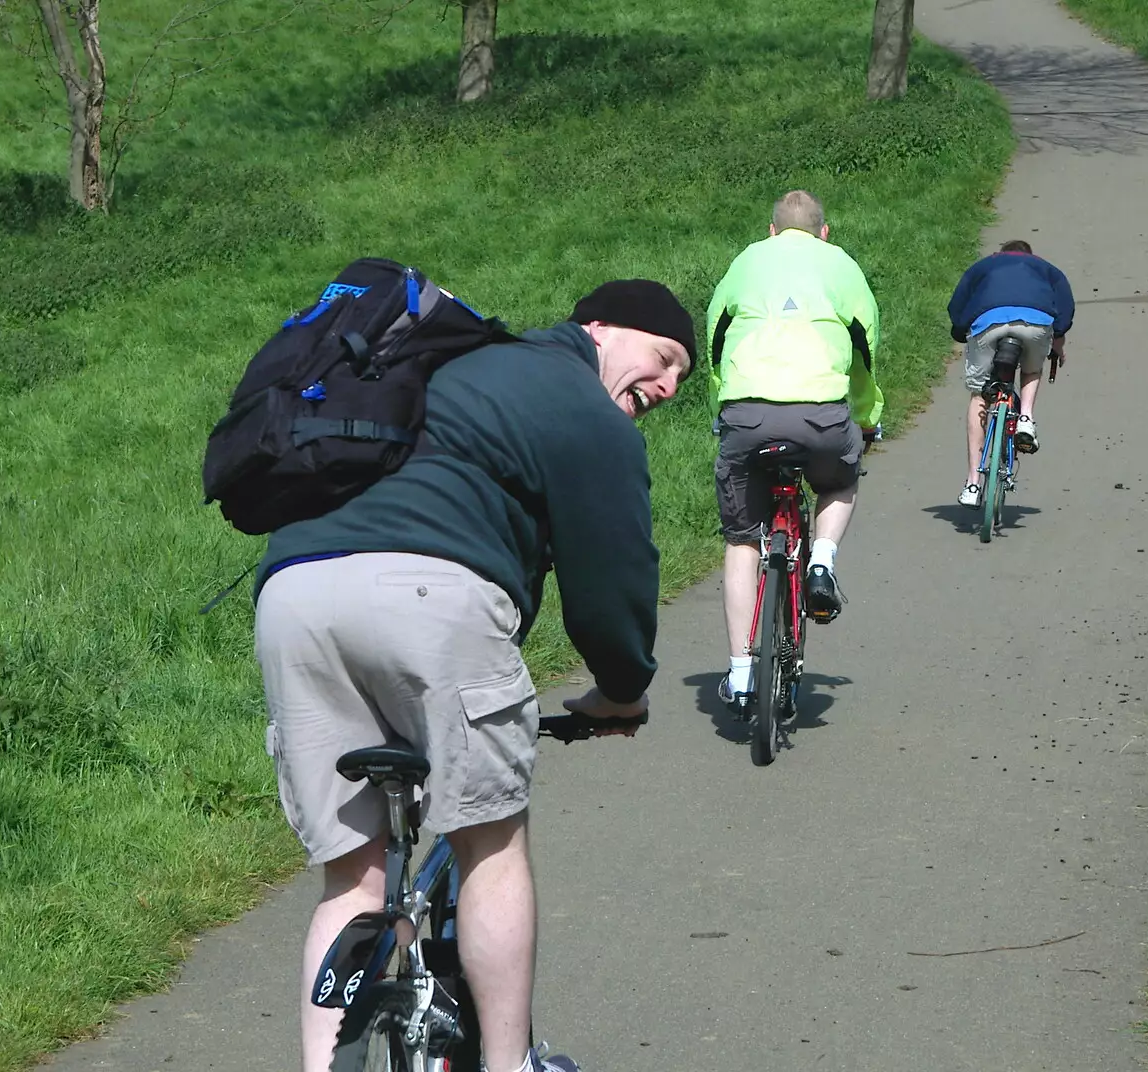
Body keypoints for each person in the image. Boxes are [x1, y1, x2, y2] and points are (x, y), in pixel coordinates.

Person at [252, 279, 696, 1072]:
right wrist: (620, 693)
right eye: (664, 359)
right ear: (598, 328)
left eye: (680, 380)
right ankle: (508, 1063)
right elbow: (612, 588)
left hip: (293, 592)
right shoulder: (579, 403)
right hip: (431, 599)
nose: (667, 387)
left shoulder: (447, 364)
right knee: (489, 844)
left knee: (353, 878)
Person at [705, 190, 883, 708]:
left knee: (742, 539)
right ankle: (821, 563)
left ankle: (740, 675)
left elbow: (716, 340)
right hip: (820, 413)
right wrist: (868, 419)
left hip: (746, 413)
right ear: (824, 232)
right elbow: (865, 351)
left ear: (772, 230)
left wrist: (724, 405)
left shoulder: (745, 261)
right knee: (841, 476)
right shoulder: (842, 264)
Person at [946, 239, 1075, 506]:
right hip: (1035, 323)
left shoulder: (984, 266)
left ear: (1000, 254)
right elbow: (1065, 303)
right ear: (1031, 255)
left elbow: (958, 303)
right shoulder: (1046, 268)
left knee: (979, 395)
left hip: (988, 322)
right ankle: (1025, 417)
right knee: (1031, 369)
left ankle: (972, 483)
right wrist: (1059, 336)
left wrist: (960, 331)